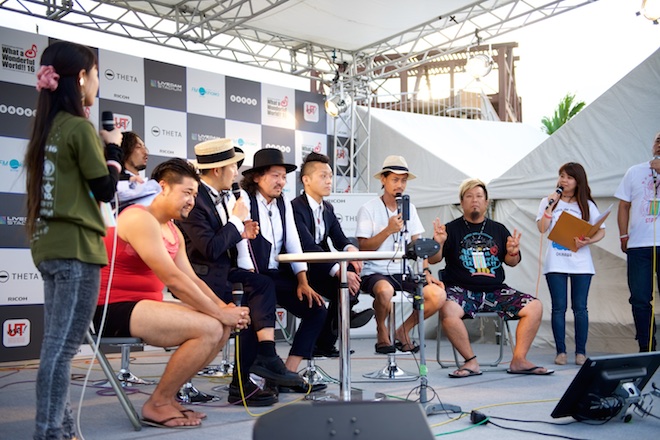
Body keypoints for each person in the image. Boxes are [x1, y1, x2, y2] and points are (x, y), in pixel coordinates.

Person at [93, 158, 250, 428]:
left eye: (195, 195)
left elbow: (192, 279)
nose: (191, 201)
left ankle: (168, 398)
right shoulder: (138, 217)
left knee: (221, 327)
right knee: (211, 327)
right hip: (110, 308)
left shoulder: (173, 230)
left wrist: (224, 309)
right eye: (187, 193)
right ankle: (158, 403)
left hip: (142, 307)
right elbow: (173, 280)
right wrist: (219, 313)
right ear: (163, 187)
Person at [24, 41, 123, 440]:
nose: (97, 83)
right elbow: (105, 189)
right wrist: (113, 150)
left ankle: (61, 430)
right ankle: (50, 432)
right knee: (61, 349)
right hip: (77, 249)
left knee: (55, 346)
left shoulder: (45, 128)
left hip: (49, 247)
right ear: (81, 78)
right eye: (95, 75)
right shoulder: (79, 128)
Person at [177, 139, 301, 407]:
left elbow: (226, 239)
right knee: (246, 314)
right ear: (217, 170)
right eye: (233, 167)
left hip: (224, 272)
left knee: (262, 286)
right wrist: (236, 221)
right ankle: (244, 381)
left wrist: (242, 232)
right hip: (200, 277)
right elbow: (210, 249)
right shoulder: (195, 199)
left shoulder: (226, 196)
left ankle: (261, 361)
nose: (236, 173)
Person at [430, 178, 552, 377]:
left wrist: (512, 252)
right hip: (461, 290)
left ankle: (519, 360)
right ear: (461, 202)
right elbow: (433, 259)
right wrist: (439, 243)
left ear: (486, 202)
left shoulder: (498, 229)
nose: (474, 200)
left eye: (479, 196)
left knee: (535, 306)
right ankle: (471, 361)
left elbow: (512, 262)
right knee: (446, 308)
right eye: (469, 196)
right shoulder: (449, 229)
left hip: (495, 291)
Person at [235, 148, 327, 393]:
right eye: (275, 176)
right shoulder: (244, 199)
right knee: (253, 313)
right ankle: (246, 381)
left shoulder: (284, 202)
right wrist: (253, 279)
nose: (281, 182)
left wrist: (303, 281)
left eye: (284, 177)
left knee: (317, 309)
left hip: (276, 275)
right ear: (257, 177)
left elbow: (294, 242)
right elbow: (242, 245)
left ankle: (287, 374)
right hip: (251, 275)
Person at [355, 155, 446, 355]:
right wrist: (388, 230)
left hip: (404, 271)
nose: (400, 185)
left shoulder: (409, 208)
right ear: (383, 179)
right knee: (385, 291)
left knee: (438, 295)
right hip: (375, 272)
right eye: (395, 179)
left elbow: (418, 246)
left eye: (403, 180)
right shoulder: (368, 208)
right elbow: (363, 247)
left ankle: (403, 330)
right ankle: (382, 331)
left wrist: (426, 271)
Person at [291, 152, 374, 358]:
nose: (329, 181)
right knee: (343, 279)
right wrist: (337, 270)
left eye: (330, 176)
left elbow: (340, 239)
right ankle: (344, 316)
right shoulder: (295, 208)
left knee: (351, 268)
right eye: (323, 176)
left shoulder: (327, 208)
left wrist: (351, 250)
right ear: (306, 180)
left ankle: (338, 322)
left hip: (321, 267)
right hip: (302, 269)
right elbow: (307, 246)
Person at [536, 163, 605, 366]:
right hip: (556, 261)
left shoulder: (587, 205)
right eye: (561, 176)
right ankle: (561, 352)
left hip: (581, 263)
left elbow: (601, 230)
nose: (564, 180)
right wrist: (550, 205)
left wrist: (589, 241)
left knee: (580, 308)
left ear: (578, 181)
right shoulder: (548, 201)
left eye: (569, 177)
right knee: (559, 308)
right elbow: (542, 228)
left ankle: (580, 352)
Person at [615, 131, 660, 353]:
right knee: (640, 298)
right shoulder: (635, 171)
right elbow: (624, 205)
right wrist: (623, 235)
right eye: (658, 140)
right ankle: (646, 346)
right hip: (639, 245)